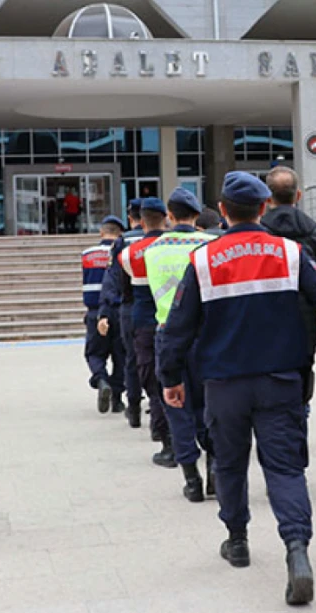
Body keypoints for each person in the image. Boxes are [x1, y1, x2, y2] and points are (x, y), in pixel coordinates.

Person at [157, 171, 316, 606]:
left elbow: (178, 329)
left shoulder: (204, 260)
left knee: (228, 463)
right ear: (264, 208)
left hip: (224, 385)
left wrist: (170, 379)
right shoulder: (291, 252)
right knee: (284, 468)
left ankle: (237, 540)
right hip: (281, 381)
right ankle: (296, 549)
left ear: (222, 211)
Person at [143, 188, 216, 501]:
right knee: (211, 407)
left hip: (168, 334)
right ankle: (215, 471)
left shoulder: (151, 250)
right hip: (207, 334)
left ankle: (191, 479)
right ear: (197, 216)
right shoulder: (211, 245)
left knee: (177, 408)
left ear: (169, 216)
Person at [260, 166, 316, 408]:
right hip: (304, 319)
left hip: (266, 317)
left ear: (267, 198)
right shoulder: (315, 233)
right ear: (298, 195)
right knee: (303, 374)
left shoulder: (260, 235)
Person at [121, 198, 173, 463]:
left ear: (140, 221)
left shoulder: (129, 252)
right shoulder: (179, 247)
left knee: (151, 378)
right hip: (175, 319)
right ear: (166, 217)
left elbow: (124, 290)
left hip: (143, 320)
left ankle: (163, 434)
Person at [99, 201, 144, 428]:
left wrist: (104, 312)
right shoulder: (160, 240)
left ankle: (133, 407)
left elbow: (112, 280)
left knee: (130, 359)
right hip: (160, 307)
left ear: (130, 218)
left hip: (128, 307)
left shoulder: (122, 243)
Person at [81, 217, 127, 415]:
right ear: (120, 234)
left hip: (94, 312)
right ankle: (117, 399)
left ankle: (101, 379)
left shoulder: (87, 254)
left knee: (94, 353)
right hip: (118, 310)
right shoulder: (122, 254)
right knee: (120, 356)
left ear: (102, 232)